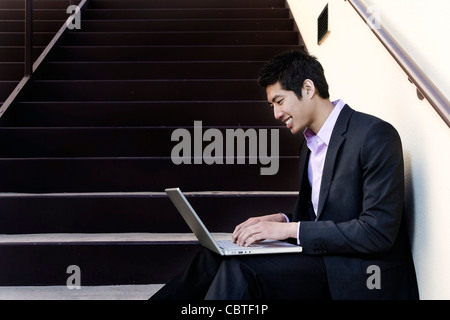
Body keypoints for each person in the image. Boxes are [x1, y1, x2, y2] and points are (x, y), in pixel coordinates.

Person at [151, 50, 419, 300]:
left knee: (243, 269)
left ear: (308, 88)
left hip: (361, 271)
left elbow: (377, 232)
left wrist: (288, 228)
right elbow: (318, 219)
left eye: (279, 101)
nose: (277, 114)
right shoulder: (309, 144)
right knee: (214, 256)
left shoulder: (374, 135)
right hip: (325, 257)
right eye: (272, 105)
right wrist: (283, 219)